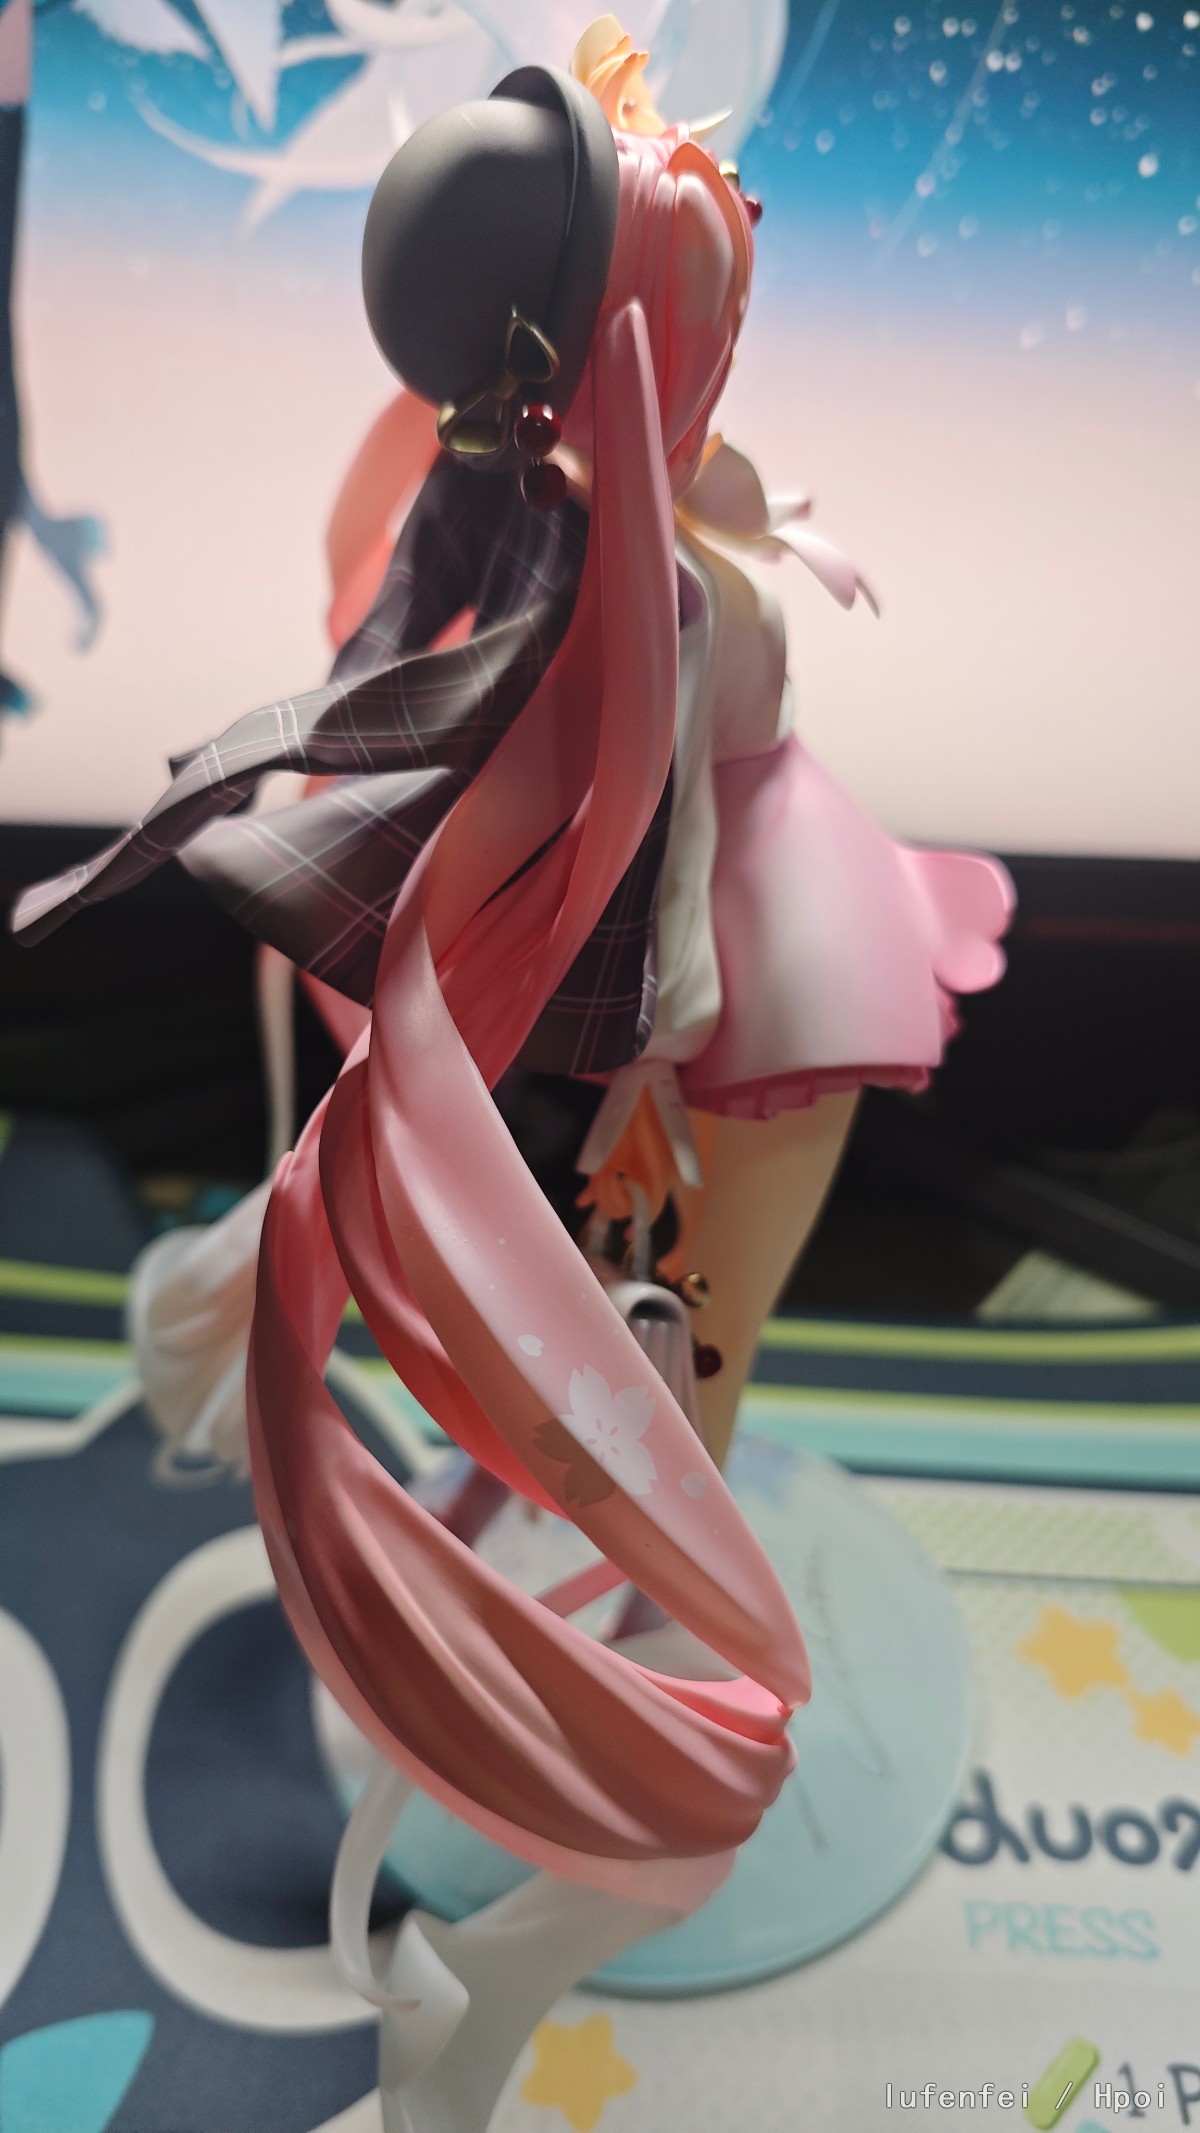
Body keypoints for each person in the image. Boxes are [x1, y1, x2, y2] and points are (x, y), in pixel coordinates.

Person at [13, 27, 1012, 2130]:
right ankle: (625, 1652)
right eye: (704, 230)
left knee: (646, 1326)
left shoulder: (532, 509)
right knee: (692, 1364)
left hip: (731, 975)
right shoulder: (651, 589)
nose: (735, 218)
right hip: (761, 999)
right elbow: (676, 857)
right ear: (625, 327)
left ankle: (536, 1515)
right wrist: (661, 1024)